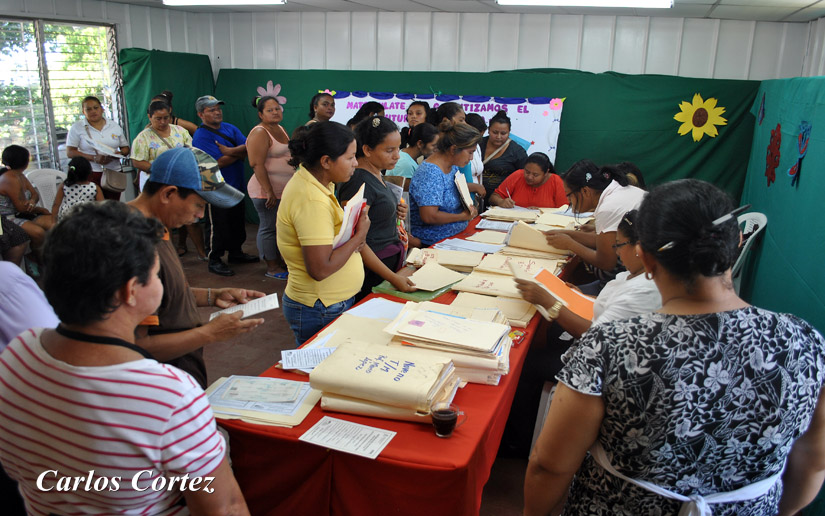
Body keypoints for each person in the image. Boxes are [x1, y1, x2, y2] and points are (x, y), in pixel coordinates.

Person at [524, 179, 825, 516]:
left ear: (645, 257)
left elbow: (550, 466)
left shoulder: (610, 345)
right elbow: (813, 462)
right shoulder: (805, 341)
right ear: (737, 242)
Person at [0, 201, 250, 515]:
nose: (161, 283)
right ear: (130, 290)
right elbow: (224, 508)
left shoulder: (18, 355)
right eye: (157, 275)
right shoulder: (168, 395)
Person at [503, 210, 661, 457]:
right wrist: (575, 296)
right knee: (545, 337)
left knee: (525, 364)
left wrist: (551, 302)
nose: (617, 252)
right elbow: (607, 307)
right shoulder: (636, 273)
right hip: (593, 340)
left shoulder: (645, 290)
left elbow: (596, 337)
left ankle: (518, 442)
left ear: (639, 248)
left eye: (619, 245)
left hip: (597, 362)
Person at [129, 147, 265, 388]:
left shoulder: (157, 226)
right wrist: (209, 333)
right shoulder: (133, 243)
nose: (200, 216)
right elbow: (135, 348)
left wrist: (211, 296)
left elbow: (163, 294)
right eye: (199, 205)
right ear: (168, 193)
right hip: (159, 386)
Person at [277, 122, 374, 345]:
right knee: (321, 363)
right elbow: (320, 269)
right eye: (350, 157)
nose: (356, 163)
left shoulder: (319, 183)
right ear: (326, 161)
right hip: (320, 306)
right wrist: (359, 236)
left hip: (327, 303)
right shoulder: (312, 199)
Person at [337, 116, 417, 301]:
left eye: (398, 148)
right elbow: (356, 240)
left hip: (386, 265)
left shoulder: (376, 173)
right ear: (367, 150)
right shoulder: (358, 181)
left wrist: (394, 211)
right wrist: (393, 278)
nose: (397, 156)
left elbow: (375, 214)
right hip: (372, 270)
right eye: (389, 150)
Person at [545, 159, 646, 294]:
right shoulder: (616, 190)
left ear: (585, 191)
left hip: (635, 279)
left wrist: (570, 244)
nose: (568, 201)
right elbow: (605, 242)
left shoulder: (608, 207)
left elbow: (606, 262)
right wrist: (567, 234)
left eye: (569, 195)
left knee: (560, 293)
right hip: (641, 271)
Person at [132, 100, 207, 260]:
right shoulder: (143, 137)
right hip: (157, 184)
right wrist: (161, 170)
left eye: (166, 118)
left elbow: (192, 152)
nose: (163, 122)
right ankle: (169, 256)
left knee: (191, 218)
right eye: (158, 118)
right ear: (149, 117)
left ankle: (202, 253)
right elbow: (137, 161)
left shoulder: (180, 131)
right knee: (163, 221)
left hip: (182, 182)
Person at [192, 95, 258, 277]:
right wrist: (239, 153)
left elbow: (249, 146)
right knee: (218, 226)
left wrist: (230, 151)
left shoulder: (230, 128)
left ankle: (236, 253)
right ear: (201, 114)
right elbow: (218, 162)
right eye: (211, 110)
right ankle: (214, 259)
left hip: (236, 184)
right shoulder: (201, 136)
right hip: (216, 188)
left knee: (237, 222)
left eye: (218, 108)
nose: (217, 112)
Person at [409, 120, 480, 247]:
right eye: (470, 152)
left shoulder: (452, 166)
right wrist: (462, 216)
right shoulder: (430, 173)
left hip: (456, 235)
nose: (471, 158)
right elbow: (429, 216)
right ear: (453, 149)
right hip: (435, 241)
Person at [247, 95, 293, 279]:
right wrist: (269, 191)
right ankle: (272, 267)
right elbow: (256, 164)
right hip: (265, 192)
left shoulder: (280, 128)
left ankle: (278, 262)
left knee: (279, 228)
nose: (275, 112)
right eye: (270, 110)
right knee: (269, 228)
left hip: (282, 190)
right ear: (261, 114)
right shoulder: (260, 132)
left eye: (277, 108)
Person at [65, 95, 130, 201]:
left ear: (102, 109)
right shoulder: (77, 127)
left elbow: (125, 148)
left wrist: (120, 153)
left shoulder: (113, 125)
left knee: (112, 205)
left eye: (96, 108)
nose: (93, 111)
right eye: (88, 109)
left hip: (114, 171)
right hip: (90, 172)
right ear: (83, 111)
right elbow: (70, 152)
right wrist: (94, 158)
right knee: (94, 206)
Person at [0, 145, 53, 253]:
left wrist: (32, 202)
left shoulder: (20, 175)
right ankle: (35, 258)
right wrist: (40, 209)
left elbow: (35, 194)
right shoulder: (10, 178)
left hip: (23, 213)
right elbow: (21, 208)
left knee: (54, 224)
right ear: (25, 162)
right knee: (38, 233)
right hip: (7, 219)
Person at [488, 152, 566, 209]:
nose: (529, 177)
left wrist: (542, 211)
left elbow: (564, 210)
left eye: (535, 175)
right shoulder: (518, 175)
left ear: (546, 173)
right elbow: (493, 197)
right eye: (527, 172)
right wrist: (501, 202)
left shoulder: (556, 181)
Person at [480, 110, 527, 199]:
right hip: (474, 198)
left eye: (503, 133)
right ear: (488, 130)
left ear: (509, 132)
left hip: (501, 200)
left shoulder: (517, 152)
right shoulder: (477, 145)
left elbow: (524, 177)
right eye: (495, 132)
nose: (498, 137)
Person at [52, 156, 103, 221]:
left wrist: (53, 221)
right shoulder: (95, 187)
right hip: (88, 220)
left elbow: (56, 204)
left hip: (67, 220)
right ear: (89, 171)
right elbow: (102, 206)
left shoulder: (65, 186)